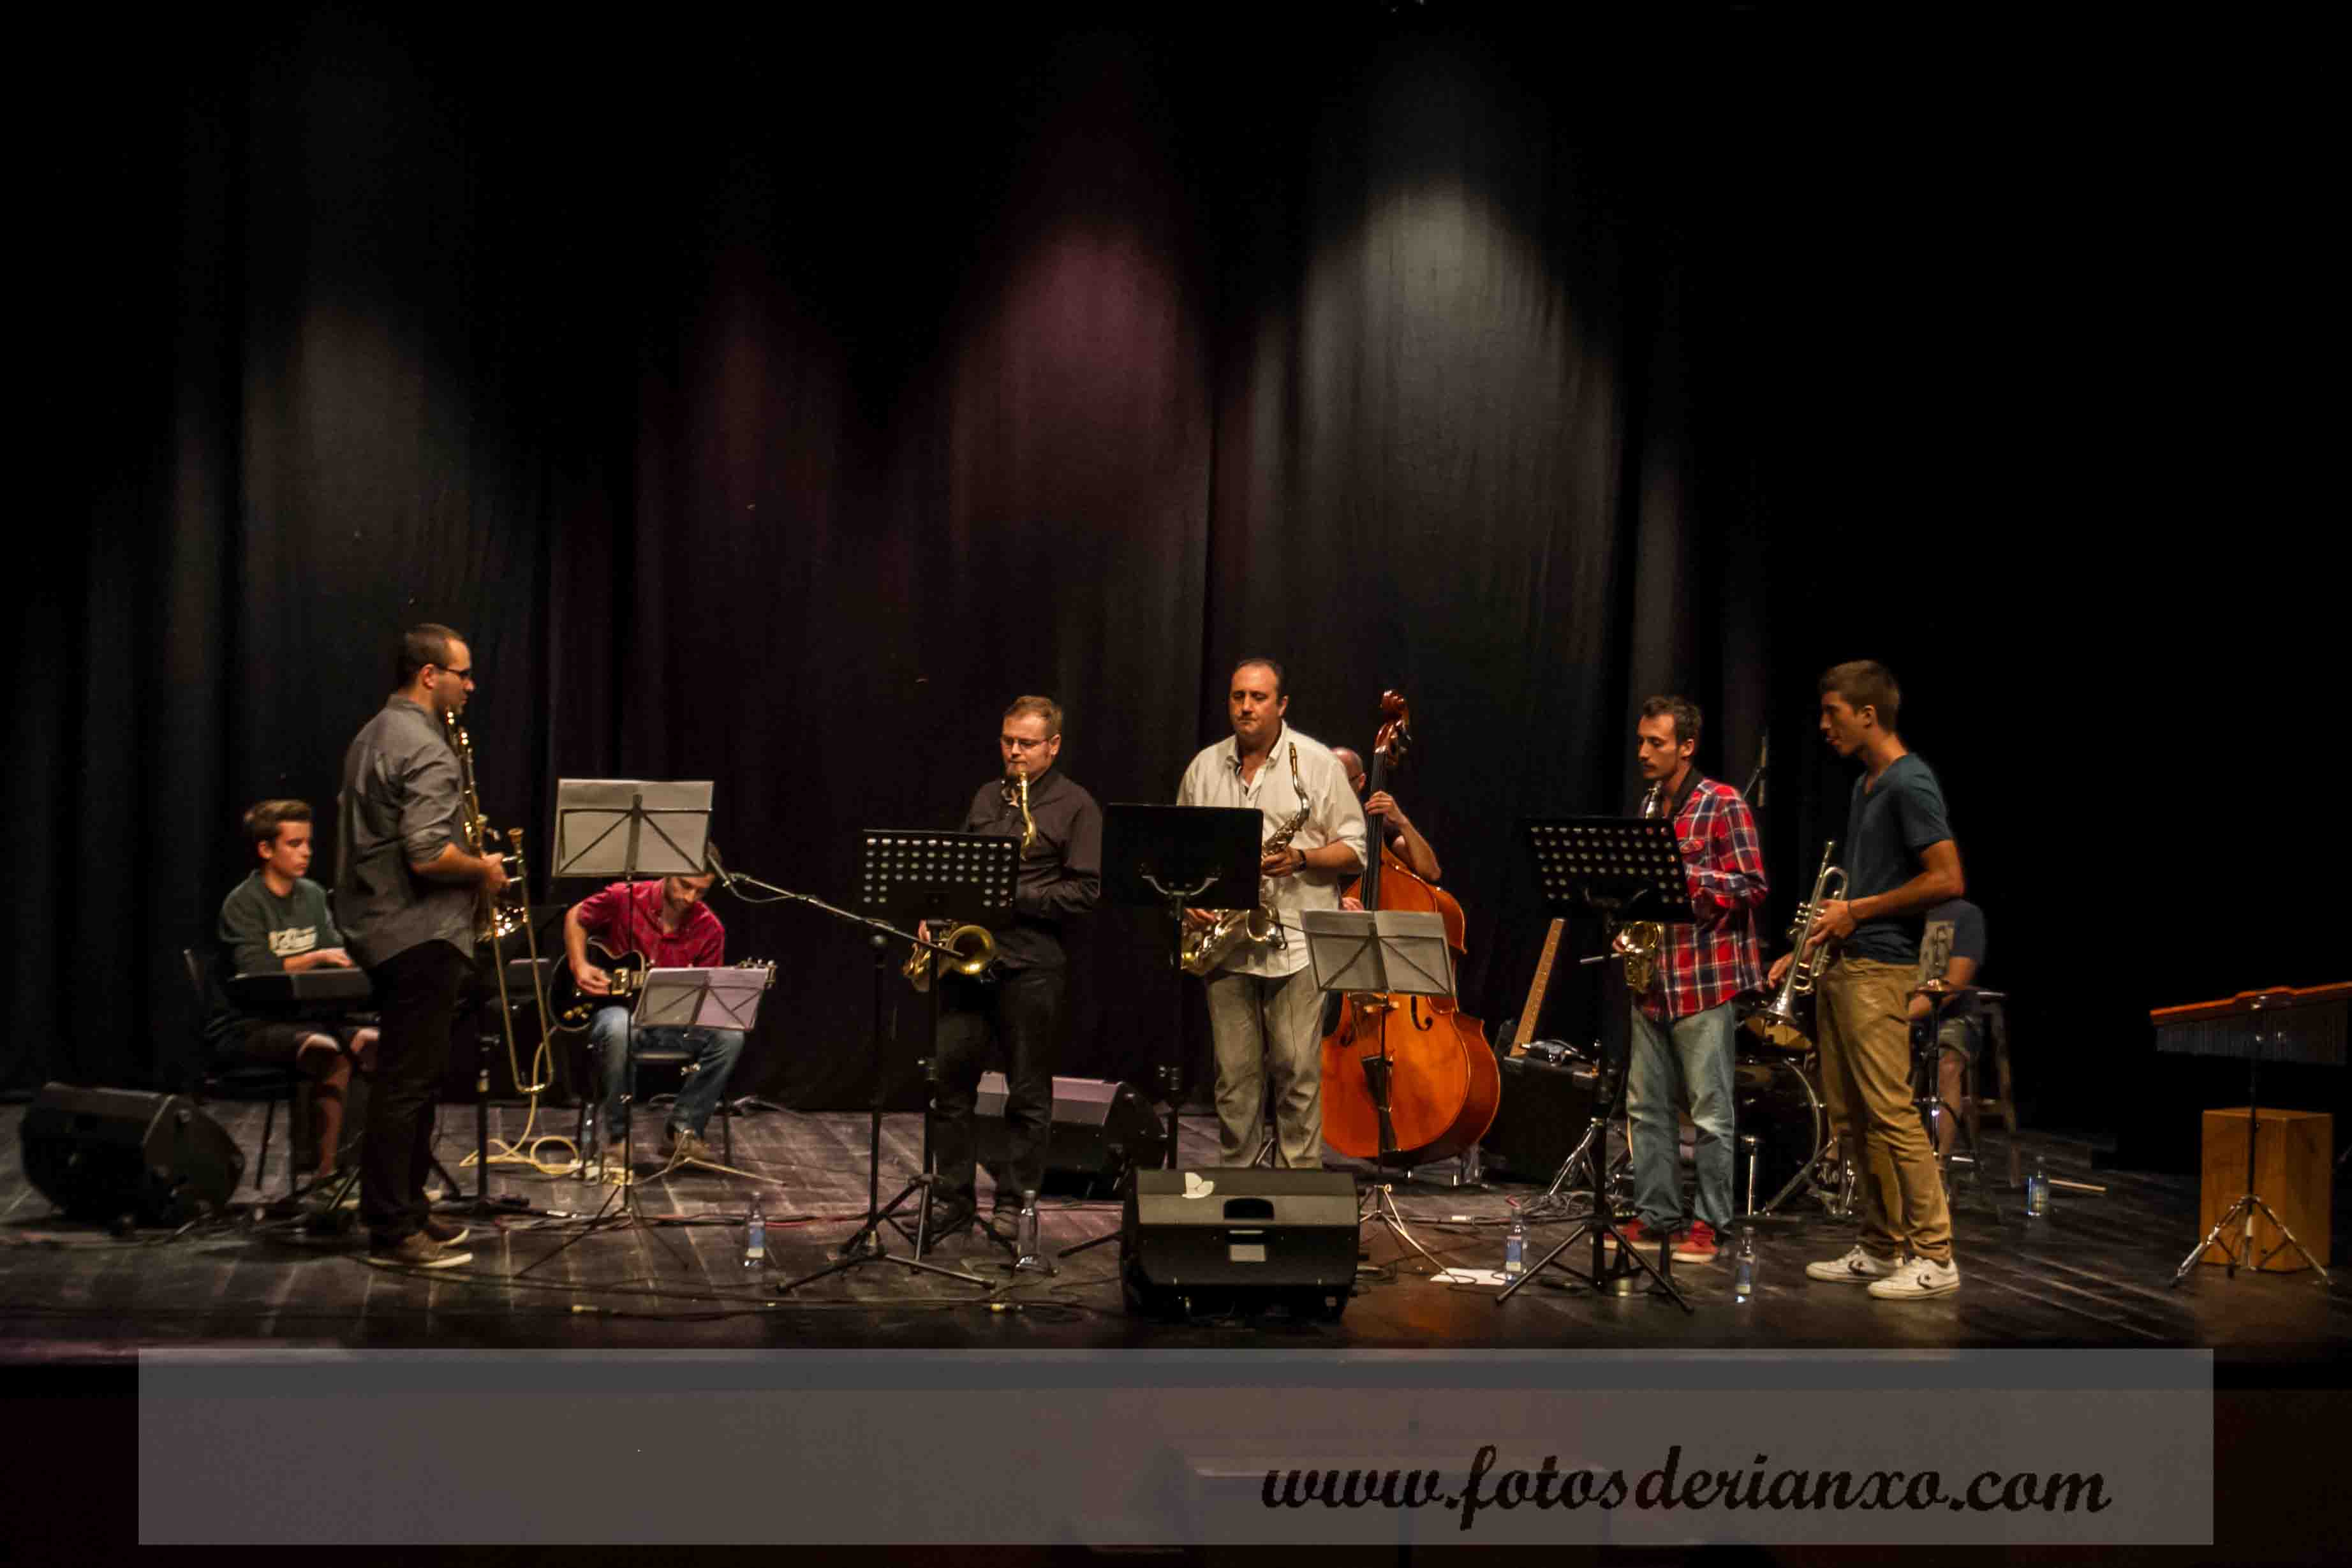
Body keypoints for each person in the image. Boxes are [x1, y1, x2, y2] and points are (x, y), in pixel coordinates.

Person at [1772, 660, 1966, 1301]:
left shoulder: (1910, 781)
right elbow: (1868, 883)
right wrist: (1811, 941)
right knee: (1851, 1118)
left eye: (1832, 712)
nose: (1823, 725)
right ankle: (1882, 1244)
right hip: (1846, 963)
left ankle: (1935, 1254)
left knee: (1891, 1114)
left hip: (1882, 968)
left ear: (1867, 714)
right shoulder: (1867, 784)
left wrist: (1855, 911)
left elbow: (1947, 878)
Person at [336, 624, 507, 1269]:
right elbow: (429, 854)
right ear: (429, 675)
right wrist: (483, 869)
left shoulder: (372, 734)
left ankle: (407, 1205)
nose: (471, 685)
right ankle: (390, 1228)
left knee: (414, 1079)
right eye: (463, 673)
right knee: (407, 1084)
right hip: (421, 932)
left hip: (379, 925)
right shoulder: (429, 749)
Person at [922, 696, 1102, 1246]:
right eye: (1008, 741)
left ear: (1053, 745)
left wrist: (1009, 895)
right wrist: (936, 912)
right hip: (967, 961)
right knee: (949, 1087)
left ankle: (1014, 1205)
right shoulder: (987, 796)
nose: (1015, 752)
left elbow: (1086, 892)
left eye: (1026, 743)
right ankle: (952, 1200)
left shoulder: (1076, 805)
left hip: (1031, 964)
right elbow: (957, 866)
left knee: (1027, 1095)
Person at [1176, 660, 1366, 1167]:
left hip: (1296, 939)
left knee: (1296, 1072)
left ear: (1281, 705)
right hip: (1225, 941)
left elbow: (1355, 850)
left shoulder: (1318, 764)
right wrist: (1188, 898)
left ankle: (1297, 1185)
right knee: (1233, 1077)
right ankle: (1236, 1181)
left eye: (1258, 697)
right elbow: (1180, 852)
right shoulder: (1203, 767)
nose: (1246, 707)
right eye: (1238, 696)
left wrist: (1302, 858)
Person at [1615, 697, 1768, 1266]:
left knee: (1709, 1112)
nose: (1643, 752)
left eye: (1655, 742)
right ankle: (1656, 1213)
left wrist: (1690, 876)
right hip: (1653, 978)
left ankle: (1709, 1222)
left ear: (1686, 746)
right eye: (1641, 741)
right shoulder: (1650, 805)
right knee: (1646, 1109)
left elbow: (1752, 885)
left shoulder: (1723, 803)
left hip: (1704, 980)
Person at [205, 799, 378, 1186]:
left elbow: (336, 952)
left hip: (305, 1018)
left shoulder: (312, 895)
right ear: (266, 850)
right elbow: (255, 969)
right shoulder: (243, 902)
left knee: (370, 1041)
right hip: (248, 1026)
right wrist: (315, 957)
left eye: (309, 844)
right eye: (295, 844)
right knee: (330, 1051)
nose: (306, 853)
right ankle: (324, 1176)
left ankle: (360, 1172)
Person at [565, 866, 744, 1172]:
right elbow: (576, 916)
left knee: (730, 1037)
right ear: (669, 872)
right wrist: (579, 965)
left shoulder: (710, 928)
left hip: (672, 1023)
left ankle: (683, 1130)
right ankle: (618, 1137)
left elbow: (704, 1002)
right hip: (617, 1012)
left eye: (701, 891)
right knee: (620, 1029)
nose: (690, 897)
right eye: (685, 885)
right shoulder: (625, 897)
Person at [1912, 898, 1987, 1162]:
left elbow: (1955, 982)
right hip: (1903, 1007)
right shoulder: (1902, 912)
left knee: (1947, 1064)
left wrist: (1901, 1015)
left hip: (1954, 1016)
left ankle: (1940, 1162)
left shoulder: (1966, 914)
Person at [1331, 746, 1442, 885]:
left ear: (1360, 782)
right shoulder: (1311, 821)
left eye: (1340, 781)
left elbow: (1431, 872)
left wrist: (1402, 821)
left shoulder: (1376, 825)